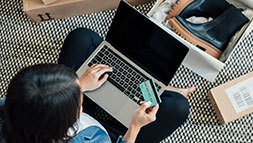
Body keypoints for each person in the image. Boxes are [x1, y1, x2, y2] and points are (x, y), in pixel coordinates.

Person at [0, 28, 195, 143]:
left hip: (58, 113)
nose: (80, 92)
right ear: (64, 128)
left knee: (82, 36)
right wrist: (135, 127)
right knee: (178, 107)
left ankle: (150, 84)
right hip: (112, 132)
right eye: (78, 100)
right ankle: (157, 88)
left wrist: (77, 86)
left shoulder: (11, 105)